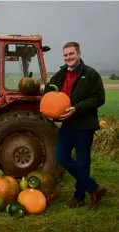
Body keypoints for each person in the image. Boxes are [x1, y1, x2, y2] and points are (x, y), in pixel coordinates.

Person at [43, 41, 106, 209]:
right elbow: (49, 90)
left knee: (82, 161)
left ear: (78, 54)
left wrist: (76, 108)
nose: (68, 57)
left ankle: (79, 197)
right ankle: (94, 187)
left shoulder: (90, 74)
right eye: (65, 55)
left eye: (71, 54)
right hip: (67, 124)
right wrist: (48, 106)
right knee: (61, 156)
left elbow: (99, 98)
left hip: (84, 125)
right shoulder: (61, 73)